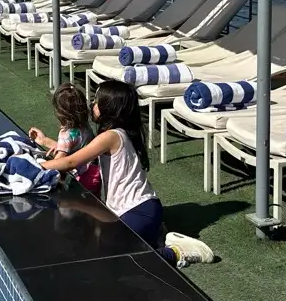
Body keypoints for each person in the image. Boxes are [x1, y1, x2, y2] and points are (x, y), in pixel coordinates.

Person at [40, 81, 215, 267]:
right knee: (103, 248)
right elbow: (77, 153)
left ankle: (176, 252)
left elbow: (71, 162)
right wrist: (47, 143)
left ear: (109, 107)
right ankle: (153, 234)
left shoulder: (110, 137)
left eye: (97, 101)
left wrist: (38, 166)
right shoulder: (114, 134)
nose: (92, 105)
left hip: (138, 211)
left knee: (117, 260)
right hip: (136, 210)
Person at [27, 83, 101, 195]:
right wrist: (45, 141)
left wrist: (37, 165)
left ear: (60, 112)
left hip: (80, 179)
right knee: (93, 204)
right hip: (95, 174)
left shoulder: (66, 134)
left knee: (69, 208)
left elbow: (59, 163)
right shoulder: (85, 125)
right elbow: (75, 147)